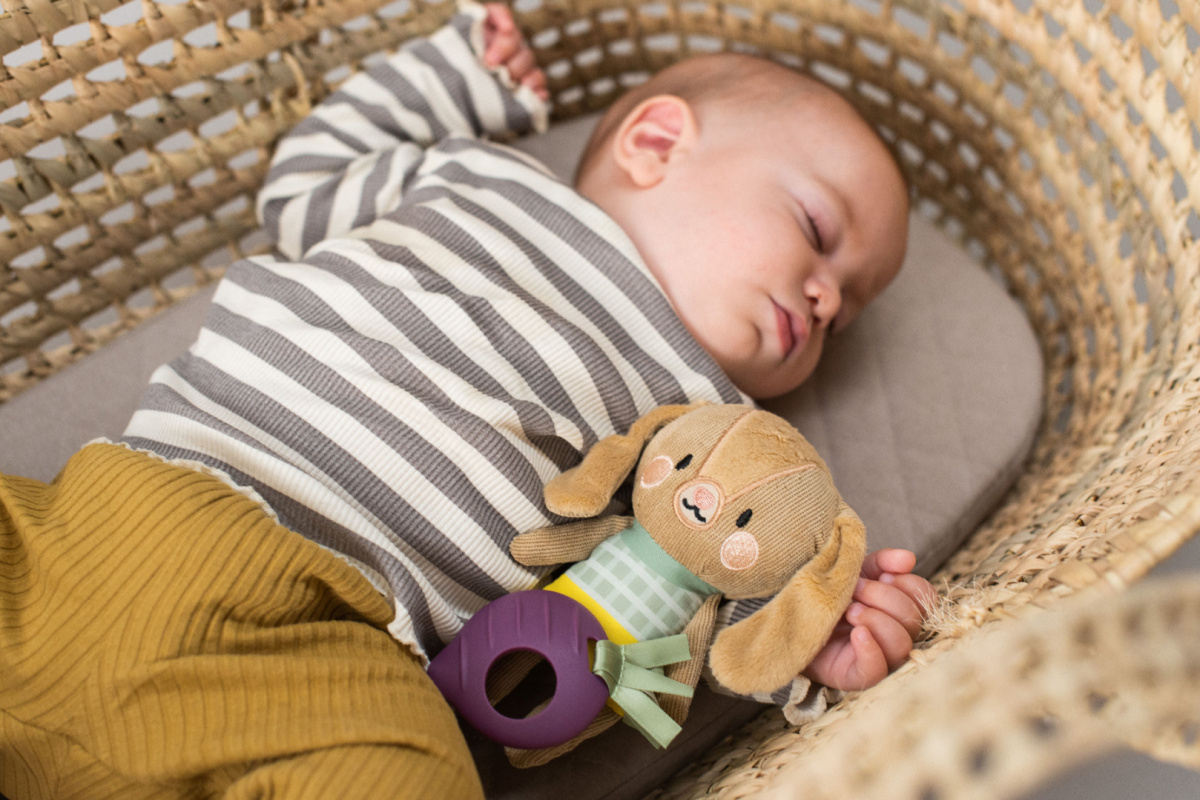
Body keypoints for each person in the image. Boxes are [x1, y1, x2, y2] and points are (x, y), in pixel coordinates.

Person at [0, 3, 931, 796]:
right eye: (816, 230)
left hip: (341, 638)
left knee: (409, 771)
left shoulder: (711, 431)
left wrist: (815, 642)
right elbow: (306, 184)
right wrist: (459, 75)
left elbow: (690, 598)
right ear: (656, 143)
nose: (825, 298)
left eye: (846, 310)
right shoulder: (476, 176)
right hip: (146, 503)